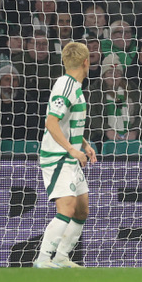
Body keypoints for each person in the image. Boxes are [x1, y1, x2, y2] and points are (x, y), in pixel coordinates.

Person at [33, 42, 96, 268]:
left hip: (71, 155)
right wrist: (71, 149)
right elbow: (51, 122)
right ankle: (42, 260)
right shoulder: (66, 86)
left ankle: (61, 257)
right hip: (58, 157)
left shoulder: (73, 86)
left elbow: (68, 122)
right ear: (86, 62)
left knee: (81, 209)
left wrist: (84, 144)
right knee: (67, 208)